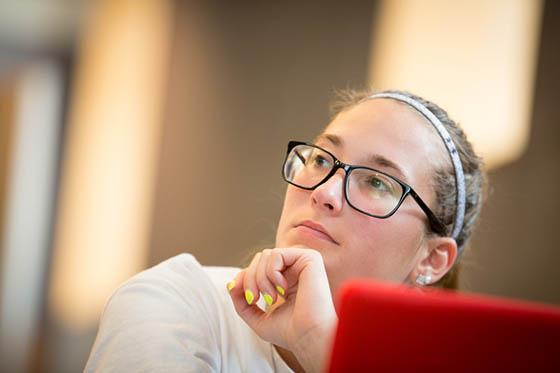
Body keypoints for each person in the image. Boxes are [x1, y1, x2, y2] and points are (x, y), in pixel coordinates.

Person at [85, 89, 485, 372]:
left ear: (432, 260)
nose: (325, 192)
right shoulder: (177, 301)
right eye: (321, 159)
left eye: (377, 182)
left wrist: (319, 346)